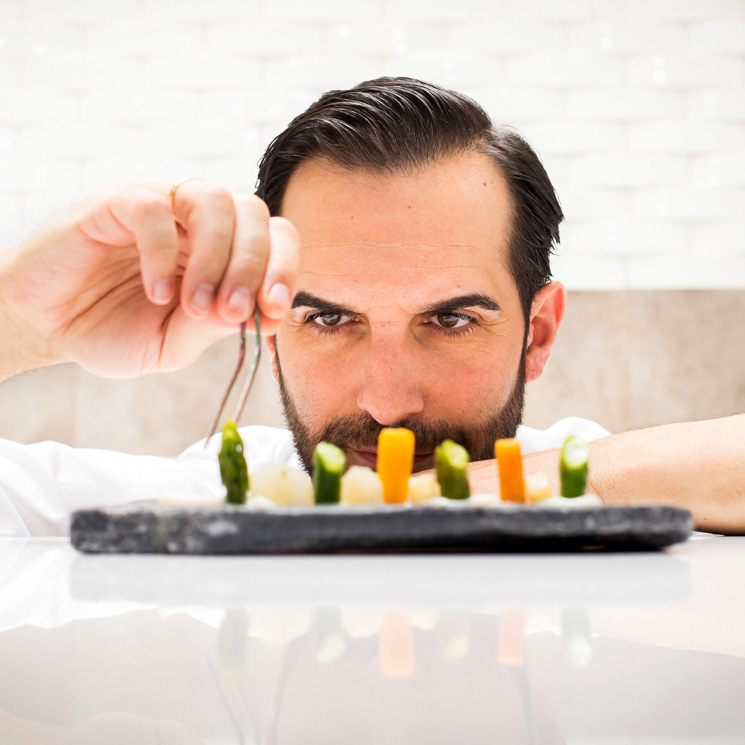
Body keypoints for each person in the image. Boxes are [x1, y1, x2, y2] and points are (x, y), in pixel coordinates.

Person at [0, 77, 742, 537]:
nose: (387, 403)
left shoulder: (591, 479)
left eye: (450, 319)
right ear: (271, 321)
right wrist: (19, 324)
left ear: (536, 333)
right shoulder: (212, 504)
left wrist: (456, 499)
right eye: (329, 318)